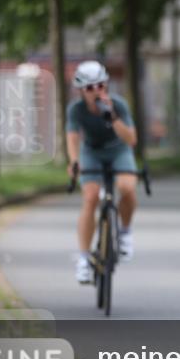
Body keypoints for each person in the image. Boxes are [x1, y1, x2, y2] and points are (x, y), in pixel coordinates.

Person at [66, 61, 139, 284]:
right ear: (81, 91)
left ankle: (125, 232)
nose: (95, 91)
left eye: (99, 86)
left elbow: (131, 140)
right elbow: (73, 137)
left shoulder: (119, 104)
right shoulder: (76, 110)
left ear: (106, 85)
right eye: (89, 88)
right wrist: (75, 162)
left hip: (119, 150)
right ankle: (84, 258)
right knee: (90, 198)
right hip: (93, 152)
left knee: (127, 188)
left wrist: (113, 117)